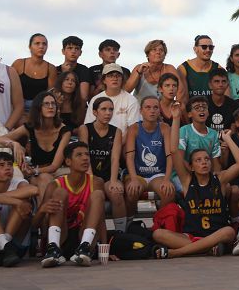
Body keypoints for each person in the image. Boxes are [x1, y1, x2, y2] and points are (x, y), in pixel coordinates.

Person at [153, 129, 239, 259]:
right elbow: (174, 151)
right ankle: (206, 249)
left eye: (207, 159)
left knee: (229, 231)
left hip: (216, 234)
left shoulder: (220, 179)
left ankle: (178, 252)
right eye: (198, 160)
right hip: (191, 236)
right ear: (191, 167)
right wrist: (175, 117)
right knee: (158, 234)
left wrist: (227, 138)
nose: (204, 162)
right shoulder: (187, 181)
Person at [37, 142, 106, 267]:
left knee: (98, 195)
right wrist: (42, 210)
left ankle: (84, 248)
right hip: (61, 238)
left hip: (83, 237)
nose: (85, 158)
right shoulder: (54, 184)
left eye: (87, 154)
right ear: (68, 162)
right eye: (79, 155)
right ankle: (53, 249)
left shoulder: (96, 181)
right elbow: (35, 224)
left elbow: (101, 218)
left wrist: (105, 250)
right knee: (59, 192)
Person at [0, 90, 70, 193]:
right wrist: (14, 144)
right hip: (37, 174)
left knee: (46, 179)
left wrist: (33, 171)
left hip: (57, 171)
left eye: (53, 104)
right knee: (44, 179)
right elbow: (0, 138)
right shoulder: (30, 127)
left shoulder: (64, 131)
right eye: (46, 104)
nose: (51, 106)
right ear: (38, 108)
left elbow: (54, 166)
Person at [77, 96, 126, 227]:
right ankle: (91, 232)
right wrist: (91, 179)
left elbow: (115, 158)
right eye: (103, 109)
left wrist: (114, 181)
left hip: (108, 177)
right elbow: (84, 157)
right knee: (94, 195)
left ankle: (120, 233)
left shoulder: (117, 131)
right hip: (89, 175)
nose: (108, 113)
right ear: (94, 112)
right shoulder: (85, 129)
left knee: (116, 193)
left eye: (110, 109)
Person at [123, 96, 175, 216]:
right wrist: (134, 179)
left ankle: (158, 224)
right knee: (131, 191)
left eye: (155, 107)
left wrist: (167, 179)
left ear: (159, 111)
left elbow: (169, 156)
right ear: (141, 111)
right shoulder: (134, 128)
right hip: (138, 174)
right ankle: (131, 225)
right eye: (148, 107)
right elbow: (130, 158)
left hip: (157, 174)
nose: (152, 110)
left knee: (169, 192)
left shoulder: (164, 128)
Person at [174, 96, 222, 188]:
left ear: (208, 112)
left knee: (224, 187)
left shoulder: (214, 134)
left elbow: (216, 164)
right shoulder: (184, 131)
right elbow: (180, 159)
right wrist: (197, 177)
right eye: (197, 108)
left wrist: (215, 179)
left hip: (205, 175)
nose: (201, 110)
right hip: (184, 175)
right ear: (189, 114)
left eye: (204, 107)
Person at [83, 64, 140, 130]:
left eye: (118, 76)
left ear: (122, 79)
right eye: (110, 76)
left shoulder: (131, 100)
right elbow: (88, 125)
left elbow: (133, 128)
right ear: (104, 80)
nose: (114, 78)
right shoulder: (95, 99)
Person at [11, 33, 57, 113]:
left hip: (40, 107)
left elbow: (49, 94)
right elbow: (10, 87)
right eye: (37, 43)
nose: (41, 46)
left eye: (44, 44)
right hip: (18, 106)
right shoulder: (19, 64)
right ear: (30, 47)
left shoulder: (51, 68)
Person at [177, 35, 222, 100]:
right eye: (204, 47)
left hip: (213, 109)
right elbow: (181, 98)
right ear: (195, 49)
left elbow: (225, 97)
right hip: (191, 109)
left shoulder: (218, 68)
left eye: (211, 47)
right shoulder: (183, 68)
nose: (208, 50)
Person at [206, 68, 239, 137]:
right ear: (210, 85)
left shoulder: (234, 106)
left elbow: (234, 130)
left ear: (227, 84)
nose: (220, 84)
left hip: (227, 142)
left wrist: (228, 140)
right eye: (216, 81)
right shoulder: (203, 104)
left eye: (224, 81)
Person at [57, 35, 92, 101]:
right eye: (70, 48)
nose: (73, 51)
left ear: (80, 52)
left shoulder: (84, 70)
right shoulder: (56, 70)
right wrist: (64, 74)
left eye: (76, 48)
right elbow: (53, 93)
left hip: (78, 107)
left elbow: (84, 97)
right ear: (63, 51)